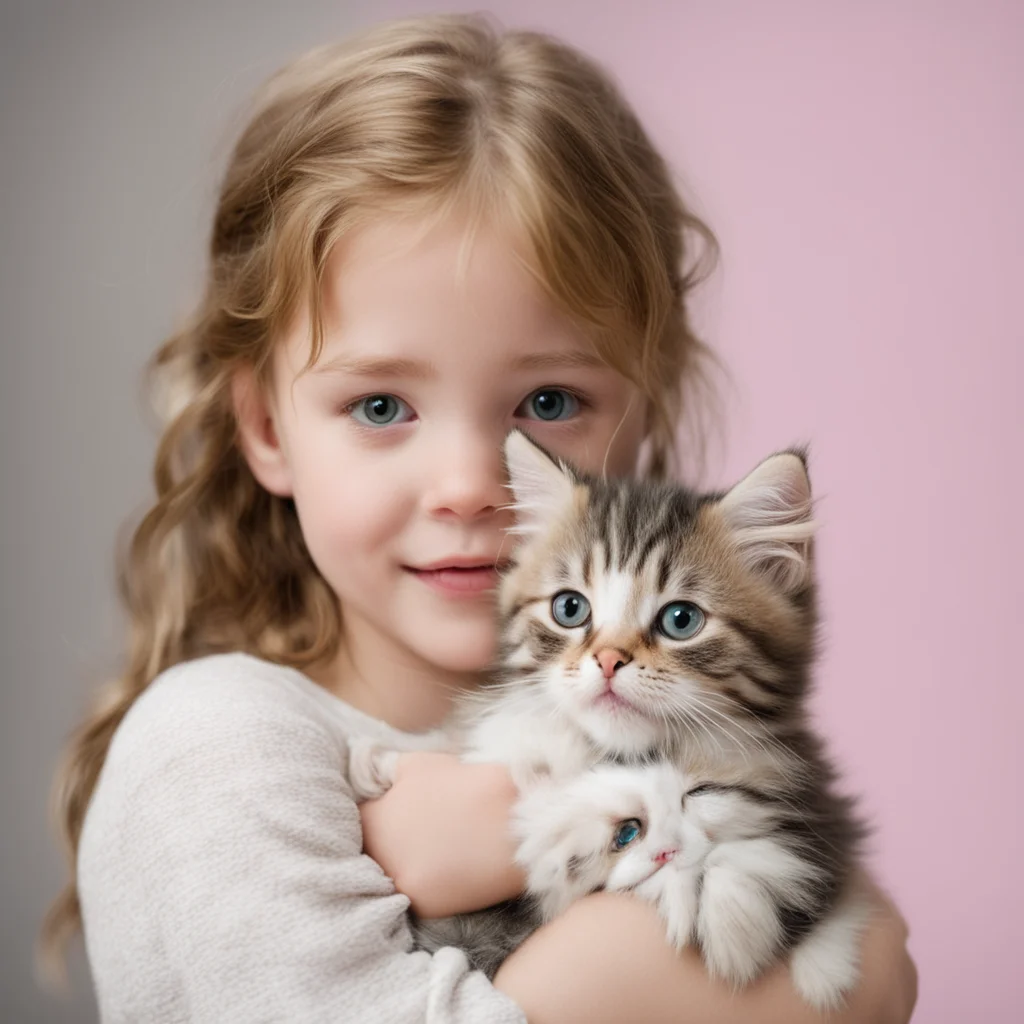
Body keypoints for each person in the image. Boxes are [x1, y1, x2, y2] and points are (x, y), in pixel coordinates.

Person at [42, 13, 917, 1023]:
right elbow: (851, 963)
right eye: (380, 407)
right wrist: (810, 982)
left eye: (547, 404)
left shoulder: (670, 729)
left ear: (643, 417)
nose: (469, 485)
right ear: (266, 426)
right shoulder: (218, 746)